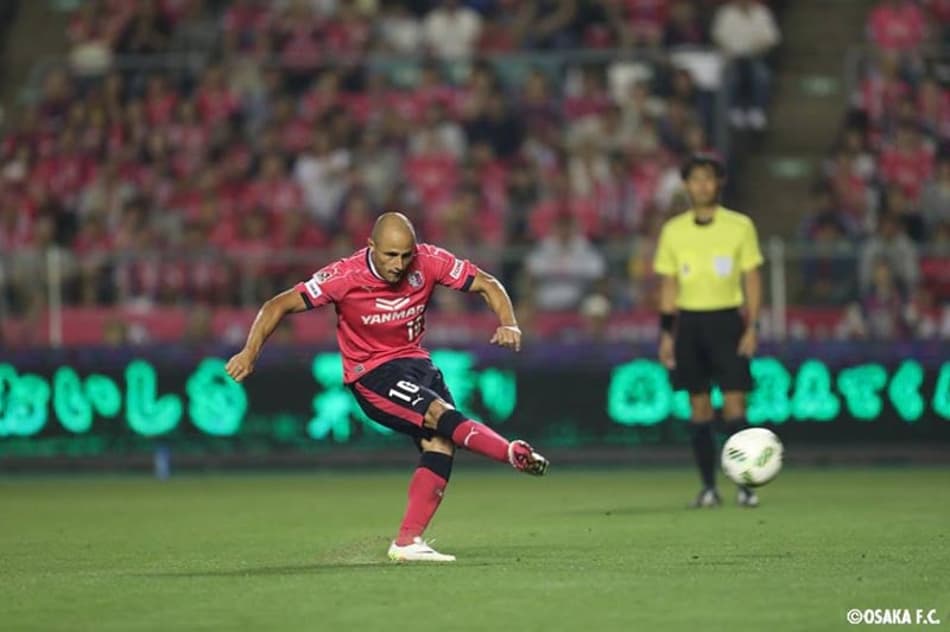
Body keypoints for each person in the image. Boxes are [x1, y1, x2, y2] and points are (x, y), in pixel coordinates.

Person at [225, 212, 549, 562]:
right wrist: (250, 351)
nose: (399, 264)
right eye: (390, 255)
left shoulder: (431, 260)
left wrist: (510, 323)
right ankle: (511, 453)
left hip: (417, 364)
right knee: (442, 416)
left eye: (406, 255)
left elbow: (488, 283)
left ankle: (408, 542)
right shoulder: (345, 276)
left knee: (440, 443)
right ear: (371, 247)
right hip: (372, 373)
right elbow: (279, 304)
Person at [653, 154, 764, 508]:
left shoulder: (740, 226)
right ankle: (708, 488)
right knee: (698, 406)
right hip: (690, 323)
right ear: (686, 185)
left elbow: (752, 277)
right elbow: (669, 285)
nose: (702, 185)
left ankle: (745, 486)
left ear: (719, 183)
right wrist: (667, 333)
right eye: (695, 179)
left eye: (708, 178)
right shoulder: (673, 231)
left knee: (735, 404)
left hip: (728, 320)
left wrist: (753, 324)